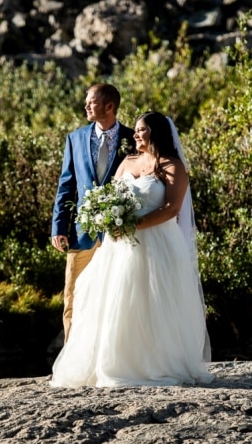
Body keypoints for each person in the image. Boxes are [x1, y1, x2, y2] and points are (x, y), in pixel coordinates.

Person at [50, 111, 213, 388]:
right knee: (115, 300)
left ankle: (154, 365)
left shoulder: (172, 167)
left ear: (156, 133)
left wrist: (135, 224)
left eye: (141, 130)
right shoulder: (128, 161)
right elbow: (112, 197)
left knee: (151, 303)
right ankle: (112, 362)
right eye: (135, 130)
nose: (135, 135)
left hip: (157, 245)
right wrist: (104, 215)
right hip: (119, 246)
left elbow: (171, 209)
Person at [51, 83, 135, 342]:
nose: (86, 106)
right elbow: (66, 185)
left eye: (91, 102)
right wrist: (58, 227)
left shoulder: (133, 139)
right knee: (73, 296)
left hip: (119, 233)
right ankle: (70, 359)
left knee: (115, 297)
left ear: (109, 106)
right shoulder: (74, 138)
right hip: (82, 233)